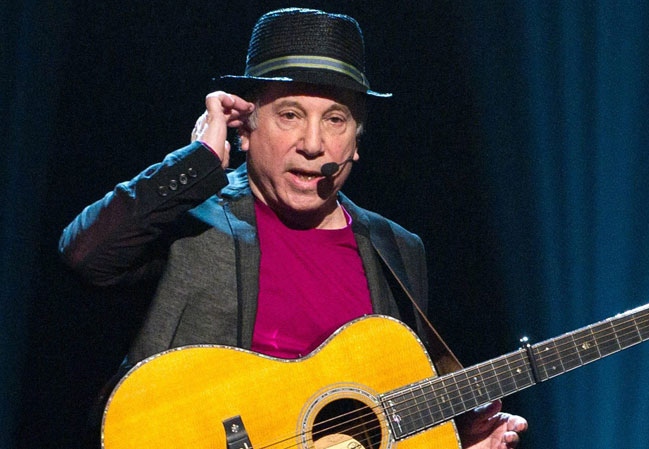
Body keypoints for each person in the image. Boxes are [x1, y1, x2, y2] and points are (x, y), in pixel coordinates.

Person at [59, 8, 527, 449]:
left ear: (357, 141)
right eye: (290, 115)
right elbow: (86, 255)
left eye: (336, 119)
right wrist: (197, 162)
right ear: (245, 126)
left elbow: (375, 422)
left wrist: (454, 440)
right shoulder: (193, 217)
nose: (312, 144)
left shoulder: (397, 249)